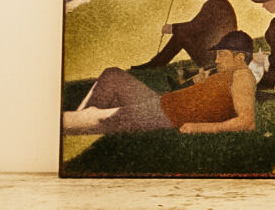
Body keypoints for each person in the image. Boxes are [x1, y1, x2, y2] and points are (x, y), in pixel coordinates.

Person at [66, 30, 258, 136]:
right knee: (112, 75)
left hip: (163, 115)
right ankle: (82, 119)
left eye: (222, 55)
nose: (216, 60)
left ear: (240, 58)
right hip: (161, 102)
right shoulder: (227, 74)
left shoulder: (243, 76)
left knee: (87, 118)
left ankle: (77, 122)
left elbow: (247, 122)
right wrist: (201, 82)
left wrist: (199, 128)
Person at [139, 0, 237, 71]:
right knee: (182, 33)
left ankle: (155, 65)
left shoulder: (216, 4)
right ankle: (156, 64)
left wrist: (172, 28)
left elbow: (195, 27)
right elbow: (197, 26)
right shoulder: (217, 2)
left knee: (181, 34)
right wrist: (174, 28)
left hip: (216, 57)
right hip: (217, 52)